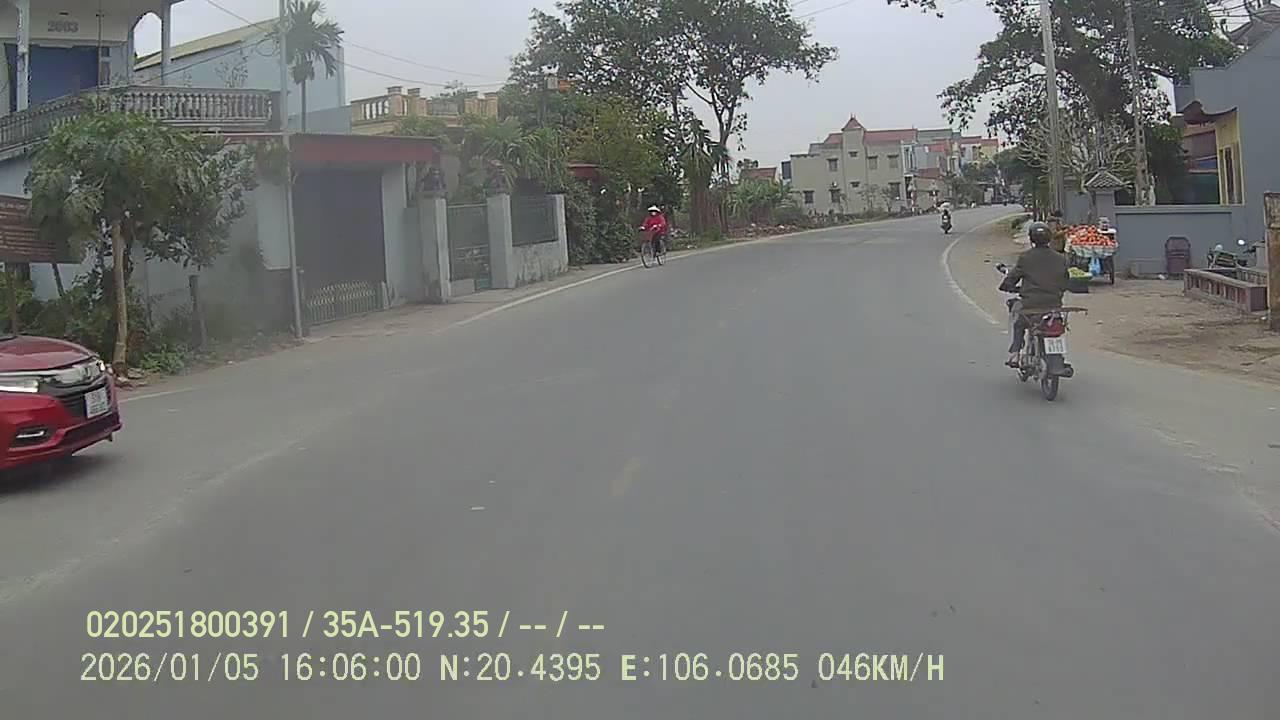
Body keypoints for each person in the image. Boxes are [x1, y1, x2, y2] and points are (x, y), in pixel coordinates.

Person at [1000, 221, 1070, 367]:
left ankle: (1015, 354)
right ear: (1049, 238)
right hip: (1054, 306)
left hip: (1031, 306)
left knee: (1019, 323)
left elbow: (1012, 277)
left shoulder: (1026, 258)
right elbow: (1065, 282)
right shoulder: (1060, 258)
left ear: (1031, 238)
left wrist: (1007, 286)